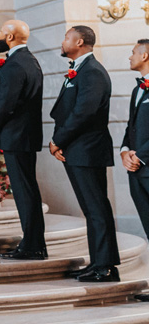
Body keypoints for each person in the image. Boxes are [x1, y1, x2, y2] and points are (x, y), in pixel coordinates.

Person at [50, 24, 119, 282]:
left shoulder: (92, 72)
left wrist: (58, 140)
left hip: (88, 150)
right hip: (77, 149)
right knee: (90, 210)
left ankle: (107, 267)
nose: (63, 41)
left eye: (67, 37)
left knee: (97, 208)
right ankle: (97, 262)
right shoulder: (79, 70)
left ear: (79, 42)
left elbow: (84, 113)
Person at [0, 19, 46, 260]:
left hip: (16, 136)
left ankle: (33, 245)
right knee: (27, 191)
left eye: (0, 33)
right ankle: (33, 243)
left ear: (10, 38)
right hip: (25, 136)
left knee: (24, 192)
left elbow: (5, 104)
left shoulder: (15, 64)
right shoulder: (29, 60)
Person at [120, 39, 149, 301]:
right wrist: (125, 150)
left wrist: (141, 155)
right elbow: (131, 126)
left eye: (133, 52)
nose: (130, 57)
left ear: (145, 54)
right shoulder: (137, 89)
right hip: (136, 169)